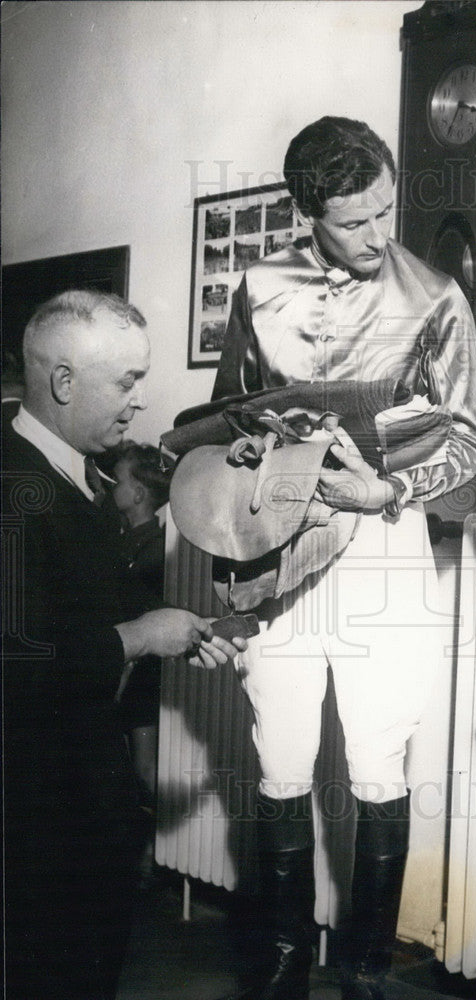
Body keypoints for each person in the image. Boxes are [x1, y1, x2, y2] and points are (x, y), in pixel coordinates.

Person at [212, 116, 476, 1000]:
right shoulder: (256, 286)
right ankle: (287, 958)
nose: (376, 236)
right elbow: (225, 416)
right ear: (307, 212)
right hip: (280, 544)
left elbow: (469, 443)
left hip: (382, 544)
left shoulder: (437, 295)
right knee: (280, 756)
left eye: (384, 212)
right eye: (353, 222)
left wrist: (389, 494)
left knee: (377, 763)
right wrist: (251, 446)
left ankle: (365, 967)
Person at [2, 289, 247, 1000]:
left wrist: (169, 622)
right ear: (64, 383)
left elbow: (78, 596)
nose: (138, 401)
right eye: (127, 382)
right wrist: (139, 635)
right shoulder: (12, 486)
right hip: (33, 816)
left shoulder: (74, 473)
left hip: (79, 799)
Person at [110, 442, 172, 811]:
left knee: (145, 769)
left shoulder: (154, 548)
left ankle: (158, 849)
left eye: (116, 481)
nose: (110, 487)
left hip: (142, 677)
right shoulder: (127, 540)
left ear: (136, 493)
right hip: (127, 669)